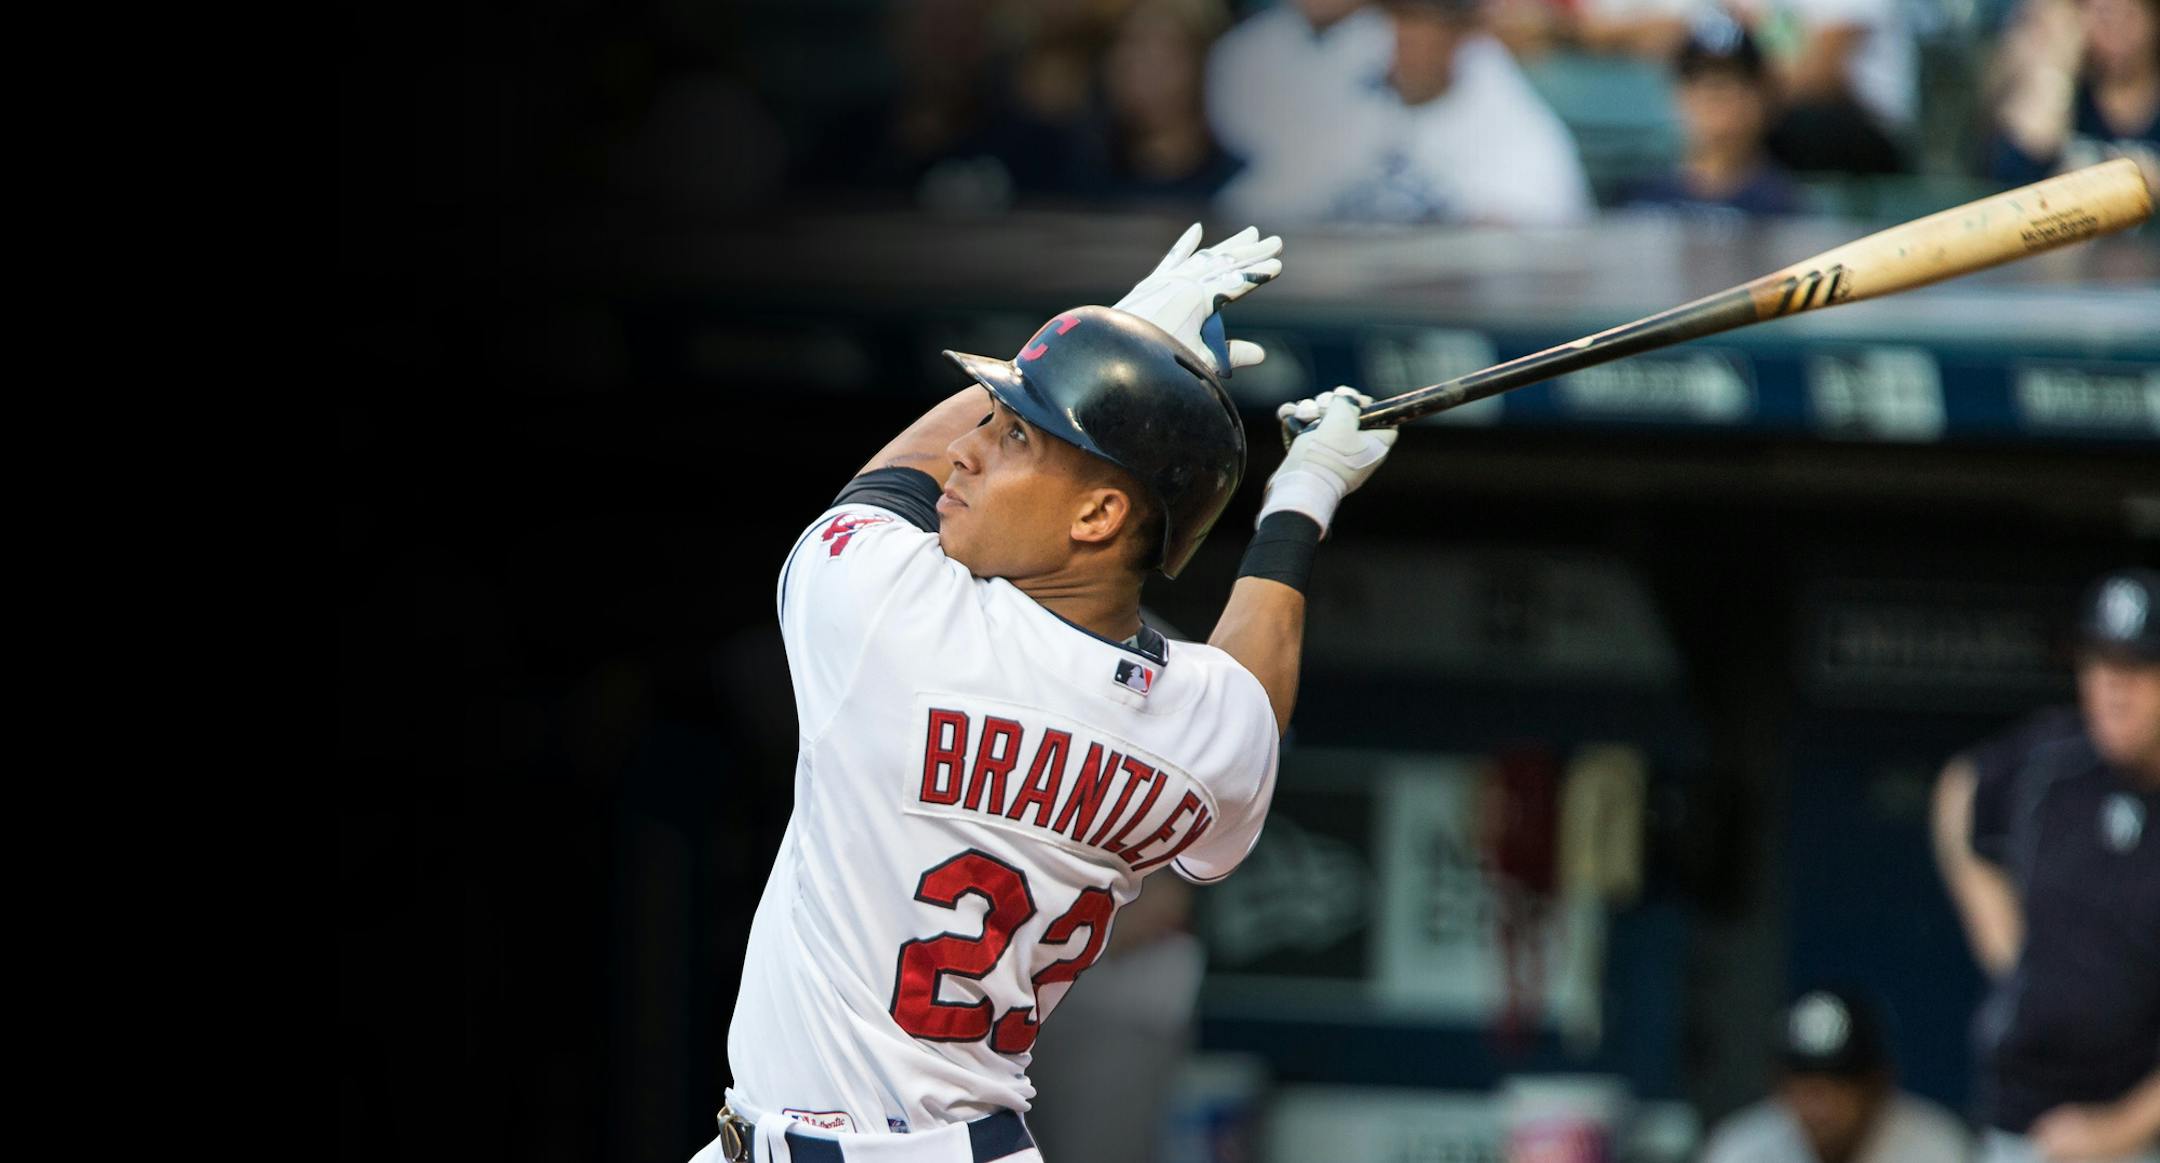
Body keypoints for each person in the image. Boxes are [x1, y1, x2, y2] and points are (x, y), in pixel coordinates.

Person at [689, 223, 1401, 1163]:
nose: (971, 451)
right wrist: (1303, 498)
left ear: (1100, 515)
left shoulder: (891, 619)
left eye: (1015, 431)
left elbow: (894, 476)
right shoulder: (1199, 726)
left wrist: (1120, 325)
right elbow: (1250, 705)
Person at [1932, 566, 2160, 1163]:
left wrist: (2116, 1133)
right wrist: (2004, 944)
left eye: (2136, 668)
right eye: (2099, 664)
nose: (2113, 688)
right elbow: (1959, 791)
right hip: (2024, 1121)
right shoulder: (2052, 760)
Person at [1220, 0, 1594, 225]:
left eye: (1424, 20)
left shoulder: (1504, 107)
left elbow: (1540, 229)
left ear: (1462, 33)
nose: (1407, 34)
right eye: (1400, 16)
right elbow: (1265, 201)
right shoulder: (1356, 83)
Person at [1699, 988, 1970, 1163]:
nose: (1820, 1107)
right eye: (1807, 1087)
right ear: (1779, 1086)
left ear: (1877, 1086)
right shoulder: (1741, 1150)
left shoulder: (1937, 1148)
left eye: (1838, 1085)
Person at [1623, 15, 1802, 216]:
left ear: (1763, 95)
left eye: (1735, 81)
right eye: (1702, 82)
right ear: (1681, 93)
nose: (1717, 96)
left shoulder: (1786, 206)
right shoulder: (1645, 197)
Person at [1986, 0, 2160, 192]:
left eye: (2129, 15)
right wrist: (2059, 63)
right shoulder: (2070, 87)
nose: (2117, 30)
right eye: (2104, 15)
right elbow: (2014, 173)